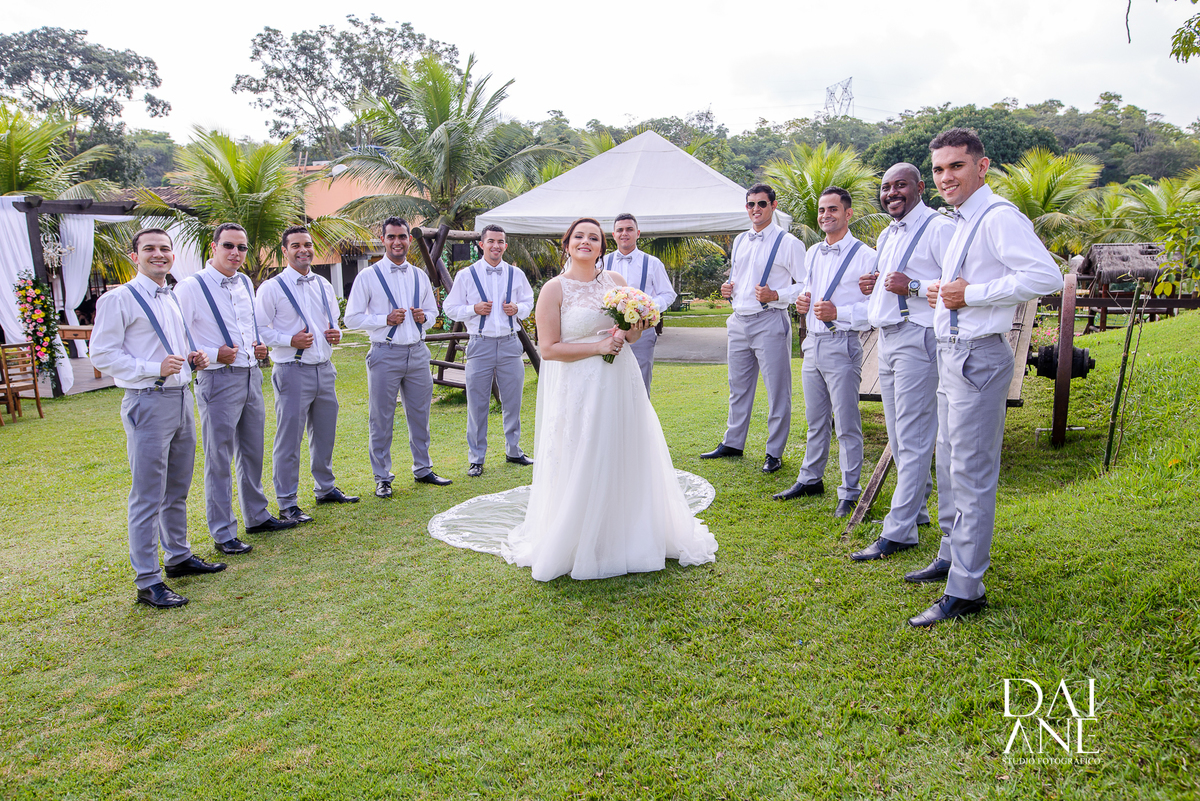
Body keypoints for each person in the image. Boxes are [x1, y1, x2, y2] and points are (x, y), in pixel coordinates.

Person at [428, 218, 718, 581]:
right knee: (584, 453)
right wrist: (597, 346)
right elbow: (548, 349)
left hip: (620, 383)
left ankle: (628, 531)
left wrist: (634, 328)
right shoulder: (553, 289)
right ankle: (584, 536)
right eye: (579, 236)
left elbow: (631, 341)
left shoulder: (617, 283)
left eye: (594, 237)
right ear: (566, 244)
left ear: (602, 247)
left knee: (623, 449)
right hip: (579, 387)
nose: (586, 242)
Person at [907, 128, 1063, 627]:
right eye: (938, 169)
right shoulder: (961, 221)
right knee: (949, 463)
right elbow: (963, 286)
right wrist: (942, 292)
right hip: (954, 354)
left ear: (982, 165)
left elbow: (1045, 277)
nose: (946, 177)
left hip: (977, 356)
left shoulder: (998, 217)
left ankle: (967, 590)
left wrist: (969, 296)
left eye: (955, 166)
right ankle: (952, 556)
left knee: (971, 475)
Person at [90, 228, 222, 608]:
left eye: (165, 249)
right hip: (147, 400)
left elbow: (172, 344)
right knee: (148, 493)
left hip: (181, 397)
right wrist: (154, 367)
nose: (159, 254)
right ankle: (148, 580)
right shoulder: (118, 299)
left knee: (177, 486)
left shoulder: (171, 297)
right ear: (135, 256)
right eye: (150, 249)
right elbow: (102, 355)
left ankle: (178, 557)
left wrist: (192, 356)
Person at [850, 165, 955, 559]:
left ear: (919, 188)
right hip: (888, 337)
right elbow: (886, 280)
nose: (891, 192)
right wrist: (872, 283)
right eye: (885, 187)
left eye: (900, 185)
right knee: (898, 436)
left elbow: (958, 283)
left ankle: (898, 531)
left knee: (911, 438)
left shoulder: (939, 228)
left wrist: (910, 286)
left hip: (919, 337)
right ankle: (917, 512)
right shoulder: (886, 233)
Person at [175, 224, 297, 556]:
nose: (236, 253)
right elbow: (178, 334)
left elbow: (246, 326)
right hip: (217, 379)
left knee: (252, 450)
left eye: (242, 248)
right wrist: (213, 354)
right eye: (229, 246)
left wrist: (256, 346)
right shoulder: (190, 287)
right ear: (213, 247)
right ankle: (223, 530)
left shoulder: (244, 281)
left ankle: (256, 515)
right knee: (219, 457)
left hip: (249, 375)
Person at [774, 187, 875, 518]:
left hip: (842, 342)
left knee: (846, 422)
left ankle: (850, 490)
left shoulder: (866, 256)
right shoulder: (814, 251)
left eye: (832, 209)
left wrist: (840, 313)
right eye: (821, 210)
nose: (825, 215)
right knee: (816, 420)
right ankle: (810, 478)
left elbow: (874, 310)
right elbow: (808, 289)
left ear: (847, 214)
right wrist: (802, 300)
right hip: (812, 344)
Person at [254, 225, 359, 523]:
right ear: (284, 250)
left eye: (308, 244)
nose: (304, 250)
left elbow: (330, 321)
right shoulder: (272, 288)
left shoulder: (324, 285)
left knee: (324, 434)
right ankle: (287, 502)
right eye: (296, 245)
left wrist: (334, 333)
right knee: (289, 438)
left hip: (324, 368)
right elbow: (260, 329)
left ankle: (325, 488)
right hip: (292, 370)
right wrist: (290, 340)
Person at [700, 184, 806, 473]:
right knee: (738, 387)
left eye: (761, 203)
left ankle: (774, 452)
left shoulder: (789, 243)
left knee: (777, 390)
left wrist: (777, 295)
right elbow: (739, 276)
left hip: (769, 321)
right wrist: (728, 288)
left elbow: (807, 284)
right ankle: (733, 442)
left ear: (772, 206)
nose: (755, 209)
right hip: (738, 321)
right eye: (750, 204)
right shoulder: (740, 241)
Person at [344, 217, 451, 496]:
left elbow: (433, 313)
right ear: (384, 240)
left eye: (402, 237)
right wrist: (384, 319)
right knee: (381, 417)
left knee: (420, 414)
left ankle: (423, 468)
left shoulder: (419, 275)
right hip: (384, 353)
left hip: (417, 353)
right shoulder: (368, 276)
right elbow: (351, 318)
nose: (397, 242)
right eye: (391, 237)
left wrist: (423, 317)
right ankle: (382, 477)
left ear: (408, 239)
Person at [442, 224, 535, 477]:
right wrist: (473, 309)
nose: (496, 246)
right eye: (491, 241)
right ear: (481, 245)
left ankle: (513, 450)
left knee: (513, 401)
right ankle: (476, 458)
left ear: (505, 245)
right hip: (480, 343)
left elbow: (529, 300)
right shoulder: (466, 275)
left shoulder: (516, 274)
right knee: (477, 403)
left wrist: (518, 309)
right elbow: (449, 308)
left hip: (509, 342)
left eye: (501, 241)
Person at [603, 213, 677, 393]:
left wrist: (646, 307)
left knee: (640, 383)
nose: (624, 233)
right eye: (620, 230)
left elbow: (668, 294)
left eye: (629, 229)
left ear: (638, 233)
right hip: (607, 331)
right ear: (613, 235)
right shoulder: (602, 262)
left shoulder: (652, 263)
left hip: (642, 331)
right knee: (608, 381)